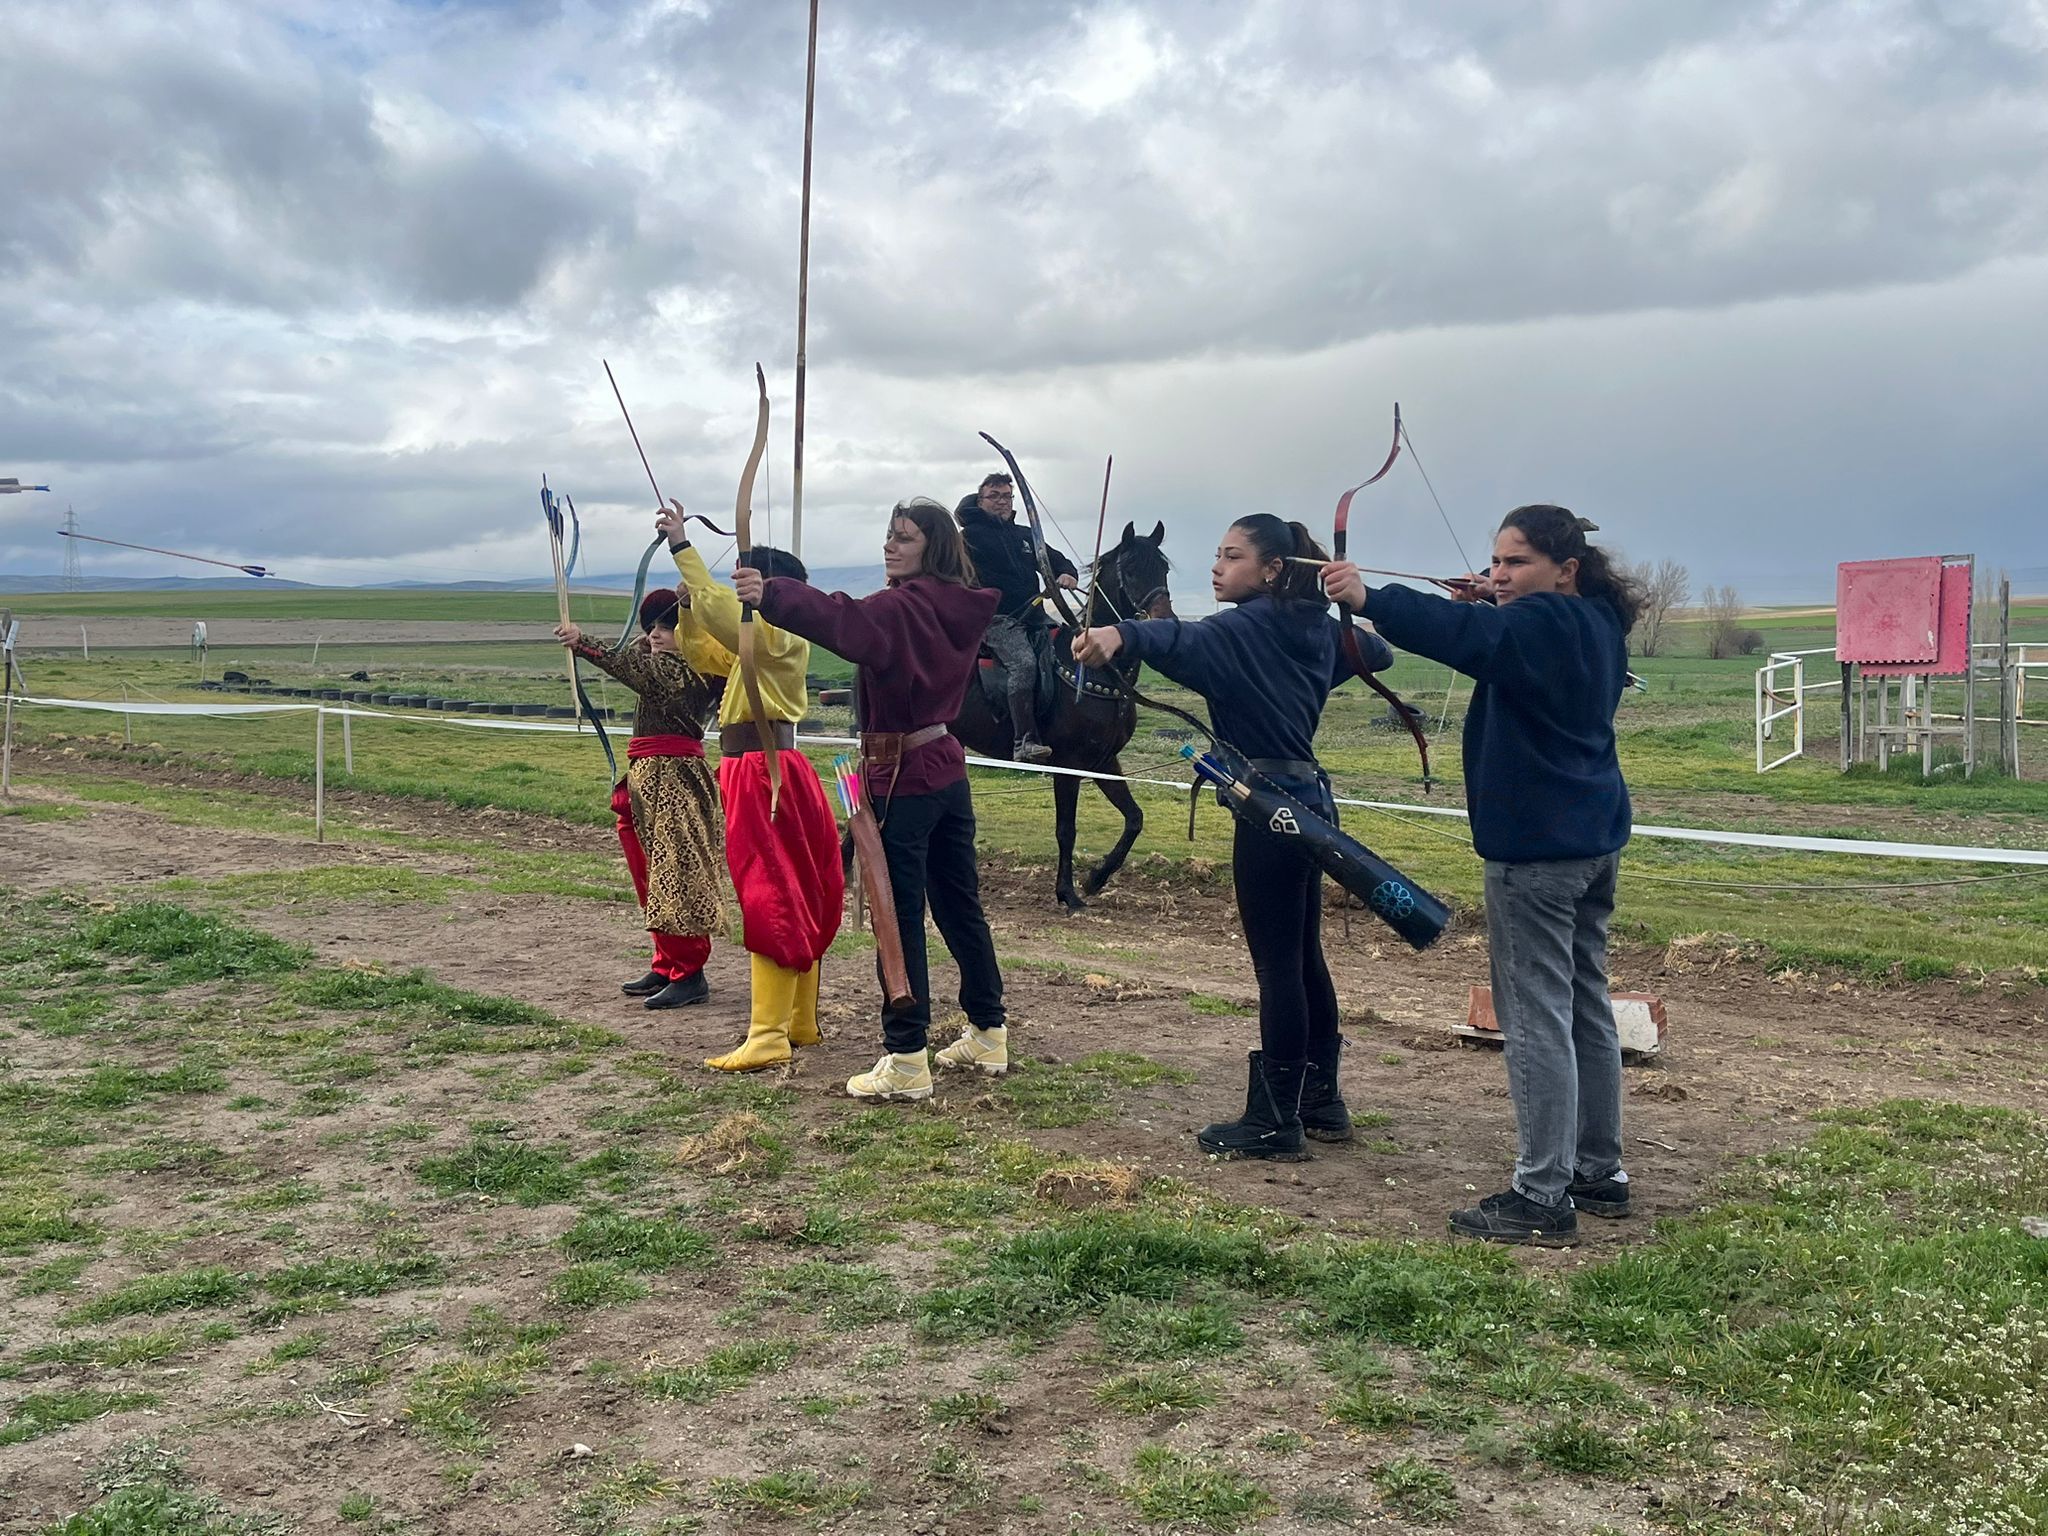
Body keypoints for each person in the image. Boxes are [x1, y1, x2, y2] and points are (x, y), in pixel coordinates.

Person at [1324, 505, 1641, 1247]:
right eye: (1496, 563)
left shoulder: (1537, 625)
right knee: (1582, 1003)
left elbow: (1466, 639)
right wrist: (1494, 599)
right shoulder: (1593, 619)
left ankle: (1542, 1195)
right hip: (1590, 841)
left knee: (1534, 1015)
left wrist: (1370, 599)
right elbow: (1498, 636)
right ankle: (1598, 1172)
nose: (1500, 574)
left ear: (1565, 569)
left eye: (1517, 563)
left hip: (1537, 852)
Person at [1071, 514, 1395, 1161]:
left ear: (1273, 568)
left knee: (1279, 965)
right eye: (1217, 554)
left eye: (1232, 555)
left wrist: (1114, 633)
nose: (1217, 567)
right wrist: (1331, 617)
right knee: (1304, 956)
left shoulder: (1244, 629)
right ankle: (1320, 1100)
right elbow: (1378, 651)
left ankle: (1275, 1121)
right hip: (1309, 803)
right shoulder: (1310, 630)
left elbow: (1175, 641)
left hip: (1269, 813)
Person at [737, 497, 1009, 1100]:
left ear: (931, 549)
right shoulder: (954, 606)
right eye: (889, 535)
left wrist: (772, 594)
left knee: (895, 913)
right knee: (960, 904)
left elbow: (847, 624)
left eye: (905, 538)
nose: (891, 545)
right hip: (943, 764)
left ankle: (907, 1056)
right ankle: (988, 1032)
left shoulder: (904, 609)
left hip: (901, 775)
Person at [658, 502, 844, 1072]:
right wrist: (690, 608)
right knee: (793, 889)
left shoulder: (782, 632)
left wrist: (684, 551)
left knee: (770, 893)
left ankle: (768, 1035)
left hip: (763, 770)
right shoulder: (761, 639)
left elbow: (728, 623)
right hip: (763, 768)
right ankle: (797, 1022)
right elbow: (707, 650)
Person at [554, 590, 728, 1010]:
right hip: (648, 778)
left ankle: (690, 972)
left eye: (668, 628)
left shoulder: (686, 670)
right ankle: (667, 962)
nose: (656, 635)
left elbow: (631, 665)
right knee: (649, 873)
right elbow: (638, 655)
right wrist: (674, 614)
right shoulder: (668, 662)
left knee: (675, 872)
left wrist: (584, 642)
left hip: (673, 780)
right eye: (652, 627)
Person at [955, 472, 1079, 764]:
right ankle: (1024, 740)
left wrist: (1066, 574)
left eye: (1007, 496)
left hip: (1034, 616)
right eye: (994, 496)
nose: (1001, 501)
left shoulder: (1025, 535)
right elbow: (950, 570)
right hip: (995, 620)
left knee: (1068, 652)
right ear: (980, 500)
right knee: (1023, 664)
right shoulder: (968, 538)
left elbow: (1056, 559)